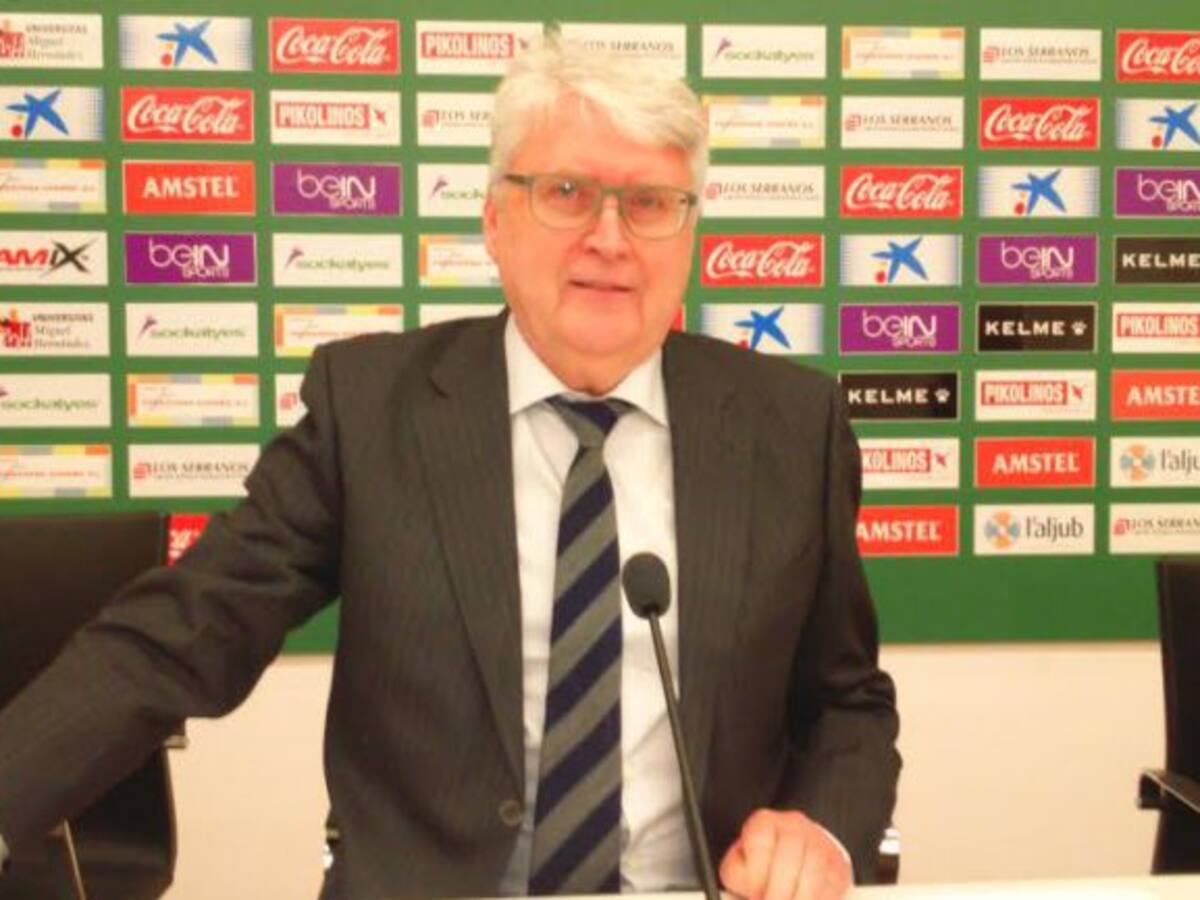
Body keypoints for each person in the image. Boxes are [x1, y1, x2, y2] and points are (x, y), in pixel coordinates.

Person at [0, 38, 899, 900]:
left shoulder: (791, 427)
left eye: (651, 203)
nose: (610, 237)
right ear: (495, 220)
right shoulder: (372, 410)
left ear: (689, 234)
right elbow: (190, 629)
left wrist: (821, 833)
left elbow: (846, 703)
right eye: (567, 193)